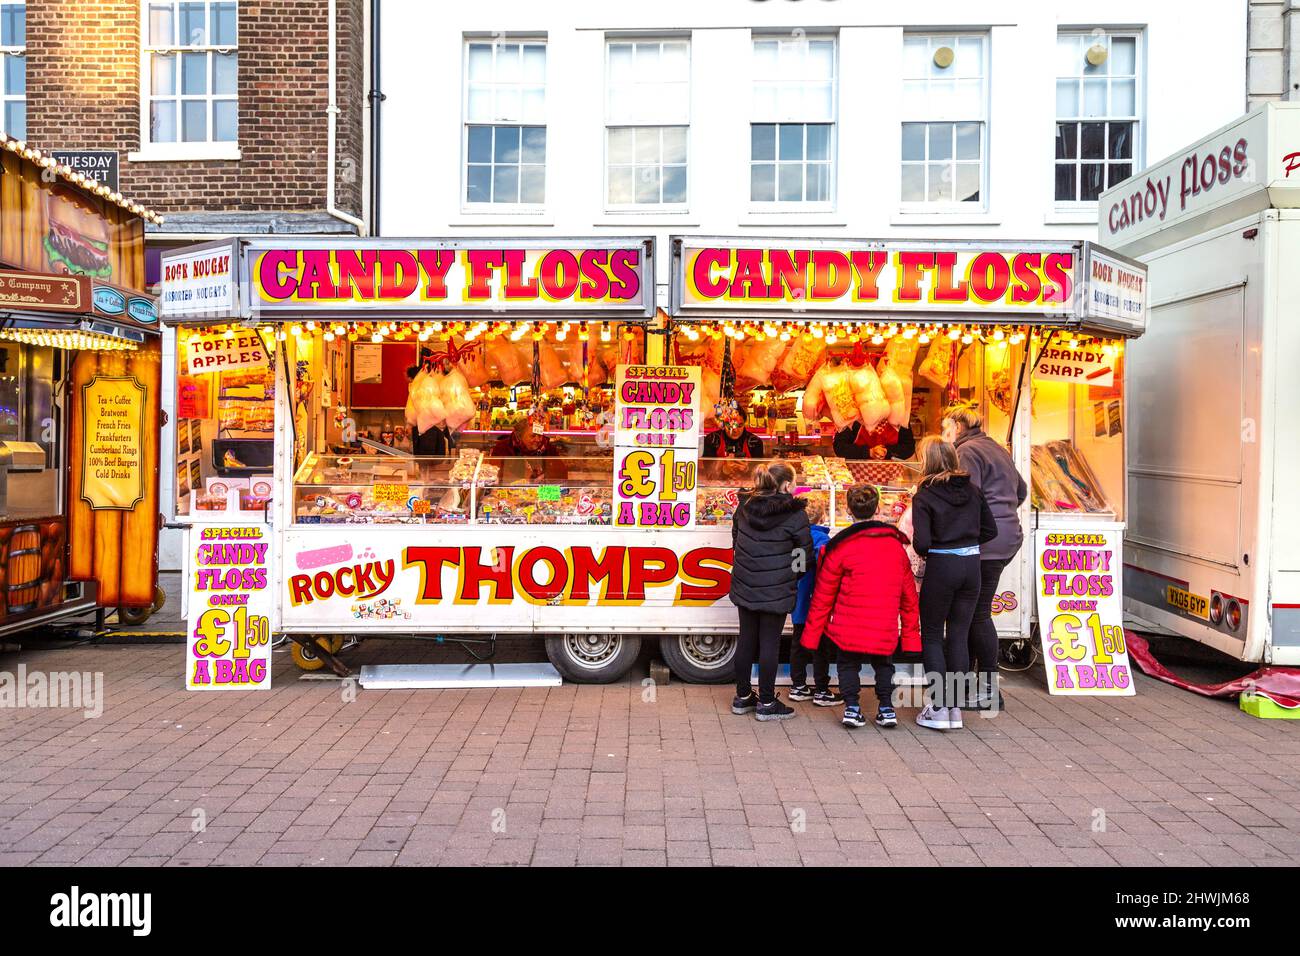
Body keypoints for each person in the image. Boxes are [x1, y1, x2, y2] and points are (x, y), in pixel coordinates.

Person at [799, 484, 921, 729]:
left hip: (848, 623)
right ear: (877, 509)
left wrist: (811, 636)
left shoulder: (839, 546)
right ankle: (886, 707)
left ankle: (852, 708)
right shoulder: (895, 547)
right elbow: (909, 597)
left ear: (848, 510)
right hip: (883, 622)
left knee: (847, 664)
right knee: (884, 664)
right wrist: (910, 636)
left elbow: (823, 595)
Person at [941, 402, 1028, 711]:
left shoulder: (966, 452)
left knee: (974, 614)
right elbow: (1021, 490)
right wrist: (1002, 514)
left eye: (945, 429)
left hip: (985, 544)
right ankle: (973, 685)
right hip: (1005, 539)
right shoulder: (993, 447)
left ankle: (987, 689)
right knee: (974, 611)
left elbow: (966, 496)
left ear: (958, 427)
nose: (944, 435)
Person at [910, 436, 997, 732]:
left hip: (942, 566)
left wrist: (939, 547)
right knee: (959, 634)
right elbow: (990, 529)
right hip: (971, 566)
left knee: (933, 634)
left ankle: (938, 707)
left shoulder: (925, 494)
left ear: (927, 461)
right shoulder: (973, 490)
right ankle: (955, 708)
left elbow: (921, 542)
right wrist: (965, 543)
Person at [729, 461, 813, 721]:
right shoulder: (795, 514)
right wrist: (794, 574)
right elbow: (803, 554)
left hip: (745, 582)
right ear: (786, 485)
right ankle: (766, 701)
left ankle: (742, 697)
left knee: (746, 640)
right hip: (777, 587)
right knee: (769, 643)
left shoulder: (743, 506)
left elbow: (736, 539)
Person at [787, 497, 836, 706]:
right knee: (820, 646)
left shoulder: (795, 540)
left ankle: (798, 685)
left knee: (797, 643)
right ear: (822, 517)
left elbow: (797, 570)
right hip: (817, 601)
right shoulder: (823, 540)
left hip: (799, 599)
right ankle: (822, 689)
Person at [833, 421, 916, 461]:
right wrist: (868, 452)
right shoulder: (853, 417)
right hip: (856, 477)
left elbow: (909, 447)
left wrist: (887, 451)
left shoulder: (900, 417)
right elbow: (839, 447)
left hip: (892, 479)